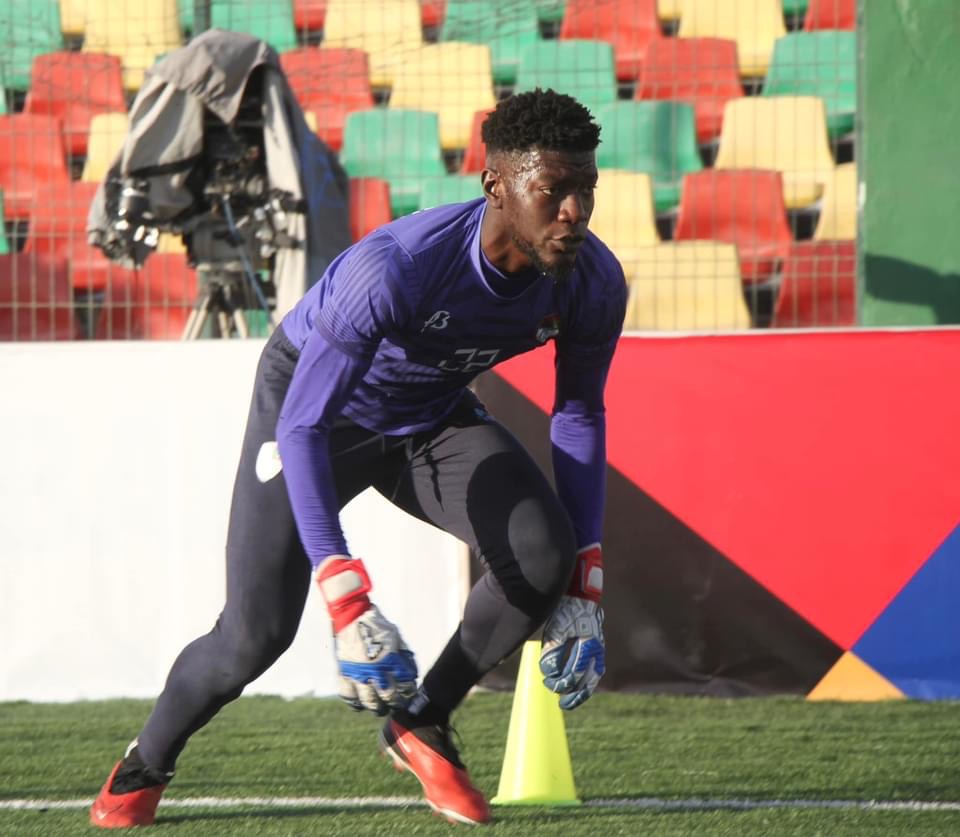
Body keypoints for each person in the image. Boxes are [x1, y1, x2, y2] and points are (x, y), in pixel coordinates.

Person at [90, 87, 626, 828]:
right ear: (496, 185)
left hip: (428, 416)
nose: (574, 211)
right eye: (554, 189)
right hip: (317, 413)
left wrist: (586, 581)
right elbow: (304, 423)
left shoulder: (592, 278)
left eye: (586, 189)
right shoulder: (400, 266)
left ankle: (421, 722)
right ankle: (142, 765)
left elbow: (579, 413)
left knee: (542, 556)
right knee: (252, 637)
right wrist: (345, 597)